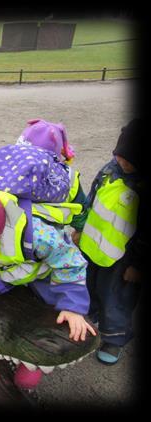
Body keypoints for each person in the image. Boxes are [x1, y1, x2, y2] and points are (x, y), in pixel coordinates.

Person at [0, 181, 96, 390]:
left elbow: (70, 263)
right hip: (3, 267)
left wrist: (73, 307)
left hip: (40, 270)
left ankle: (35, 364)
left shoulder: (41, 236)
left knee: (54, 303)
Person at [72, 118, 146, 365]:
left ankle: (115, 337)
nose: (122, 161)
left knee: (116, 298)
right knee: (88, 285)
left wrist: (137, 265)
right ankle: (88, 319)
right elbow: (90, 201)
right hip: (92, 247)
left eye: (129, 160)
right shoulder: (109, 169)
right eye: (119, 154)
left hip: (122, 261)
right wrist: (80, 229)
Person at [15, 118, 86, 230]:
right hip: (51, 239)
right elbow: (81, 210)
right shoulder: (68, 176)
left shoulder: (9, 169)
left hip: (12, 234)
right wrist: (80, 230)